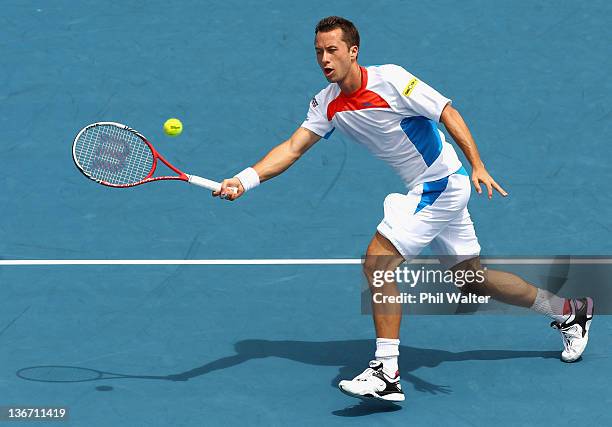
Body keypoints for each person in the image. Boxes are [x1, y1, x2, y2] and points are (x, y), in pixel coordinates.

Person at [213, 16, 594, 402]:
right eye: (318, 52)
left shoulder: (392, 80)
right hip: (431, 186)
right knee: (471, 280)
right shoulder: (326, 103)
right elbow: (293, 147)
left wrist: (477, 163)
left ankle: (386, 371)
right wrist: (244, 180)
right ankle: (569, 310)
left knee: (376, 263)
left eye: (332, 50)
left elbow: (446, 111)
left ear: (352, 51)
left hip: (441, 183)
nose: (324, 59)